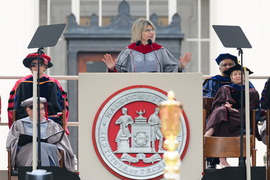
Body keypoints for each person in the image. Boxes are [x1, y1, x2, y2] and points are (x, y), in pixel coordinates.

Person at [204, 64, 261, 167]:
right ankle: (222, 159)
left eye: (240, 74)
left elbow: (252, 109)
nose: (237, 76)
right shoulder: (225, 89)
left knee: (222, 113)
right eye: (235, 74)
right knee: (222, 111)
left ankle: (207, 137)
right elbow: (215, 105)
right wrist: (226, 106)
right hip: (226, 116)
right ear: (231, 77)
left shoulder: (252, 92)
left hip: (241, 117)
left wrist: (234, 109)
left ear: (245, 76)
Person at [7, 52, 70, 134]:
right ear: (30, 68)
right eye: (33, 64)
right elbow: (13, 108)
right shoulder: (21, 83)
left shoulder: (53, 83)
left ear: (45, 67)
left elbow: (61, 107)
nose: (36, 66)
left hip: (49, 122)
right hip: (26, 123)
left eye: (40, 64)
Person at [6, 97, 75, 171]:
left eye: (43, 109)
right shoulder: (19, 125)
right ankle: (46, 174)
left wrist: (50, 143)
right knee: (37, 146)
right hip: (25, 157)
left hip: (49, 154)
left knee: (40, 146)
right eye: (37, 110)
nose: (42, 112)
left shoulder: (52, 125)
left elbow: (64, 145)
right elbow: (10, 144)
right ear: (28, 111)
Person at [102, 18, 192, 73]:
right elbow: (120, 75)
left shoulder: (160, 51)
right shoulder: (129, 52)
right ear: (139, 32)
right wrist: (112, 68)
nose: (152, 32)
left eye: (152, 30)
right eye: (148, 30)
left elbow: (171, 70)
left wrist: (180, 66)